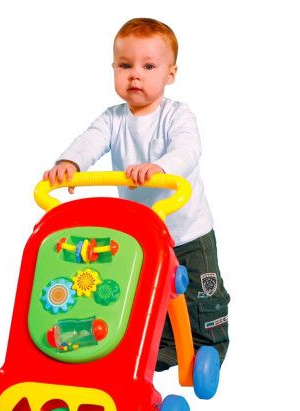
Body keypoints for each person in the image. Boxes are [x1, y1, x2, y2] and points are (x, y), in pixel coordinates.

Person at [43, 18, 230, 370]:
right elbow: (89, 141)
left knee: (199, 294)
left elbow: (188, 150)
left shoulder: (176, 115)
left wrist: (160, 168)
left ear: (170, 74)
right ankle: (165, 346)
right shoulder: (113, 119)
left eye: (148, 66)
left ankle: (210, 347)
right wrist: (69, 162)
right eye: (125, 66)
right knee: (150, 292)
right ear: (113, 68)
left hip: (187, 232)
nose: (135, 76)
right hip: (144, 233)